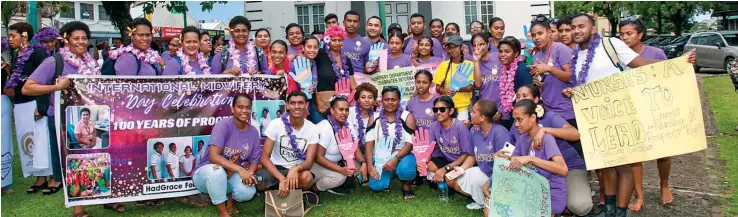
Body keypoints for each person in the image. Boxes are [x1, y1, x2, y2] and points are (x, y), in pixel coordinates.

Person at [562, 13, 696, 217]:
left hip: (620, 115)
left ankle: (621, 211)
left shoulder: (611, 45)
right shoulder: (576, 56)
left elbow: (641, 64)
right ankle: (609, 208)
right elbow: (583, 83)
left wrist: (679, 63)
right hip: (595, 120)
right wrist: (573, 91)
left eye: (581, 26)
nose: (577, 31)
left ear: (593, 29)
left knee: (624, 165)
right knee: (605, 166)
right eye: (573, 27)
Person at [513, 84, 592, 216]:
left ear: (536, 99)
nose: (520, 99)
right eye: (518, 96)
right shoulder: (520, 123)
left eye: (525, 95)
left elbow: (575, 134)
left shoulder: (549, 117)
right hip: (541, 173)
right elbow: (516, 151)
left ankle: (568, 196)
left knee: (579, 206)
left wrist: (544, 130)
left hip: (569, 168)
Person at [618, 17, 670, 212]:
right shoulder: (617, 55)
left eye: (629, 33)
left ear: (640, 34)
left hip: (655, 108)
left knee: (663, 152)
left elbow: (670, 73)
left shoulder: (656, 53)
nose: (625, 38)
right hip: (629, 109)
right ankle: (639, 196)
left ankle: (664, 184)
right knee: (635, 155)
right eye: (621, 34)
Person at [5, 23, 57, 195]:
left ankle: (52, 177)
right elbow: (17, 77)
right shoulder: (14, 53)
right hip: (20, 103)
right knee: (28, 141)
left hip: (35, 103)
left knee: (42, 140)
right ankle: (39, 177)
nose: (10, 39)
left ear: (25, 36)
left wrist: (42, 107)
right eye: (9, 36)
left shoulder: (38, 52)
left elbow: (46, 79)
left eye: (13, 35)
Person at [193, 93, 260, 217]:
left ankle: (231, 200)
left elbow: (254, 162)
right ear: (232, 109)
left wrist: (248, 175)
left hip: (230, 174)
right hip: (206, 174)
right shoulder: (223, 125)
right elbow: (214, 157)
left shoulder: (253, 132)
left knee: (247, 191)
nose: (244, 111)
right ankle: (223, 212)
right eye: (240, 107)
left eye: (248, 107)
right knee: (217, 172)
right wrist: (240, 169)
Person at [508, 99, 569, 216]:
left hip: (550, 193)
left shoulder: (546, 139)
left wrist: (532, 159)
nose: (516, 124)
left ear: (533, 118)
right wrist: (500, 158)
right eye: (515, 120)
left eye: (519, 120)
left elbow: (563, 170)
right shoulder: (522, 138)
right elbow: (512, 164)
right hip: (531, 191)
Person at [257, 91, 319, 203]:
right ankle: (285, 188)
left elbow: (309, 162)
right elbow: (264, 158)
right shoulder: (275, 124)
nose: (296, 106)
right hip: (276, 168)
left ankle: (287, 190)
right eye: (293, 103)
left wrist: (295, 168)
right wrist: (282, 178)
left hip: (296, 169)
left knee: (307, 178)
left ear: (306, 105)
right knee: (258, 183)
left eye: (300, 103)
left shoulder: (313, 129)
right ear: (287, 106)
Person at [364, 86, 417, 199]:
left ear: (399, 100)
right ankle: (387, 177)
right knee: (376, 186)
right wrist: (370, 166)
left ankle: (406, 185)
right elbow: (369, 145)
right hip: (380, 158)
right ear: (381, 100)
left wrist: (395, 158)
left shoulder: (407, 116)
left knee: (407, 170)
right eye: (386, 99)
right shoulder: (374, 117)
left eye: (393, 99)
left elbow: (410, 144)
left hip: (402, 155)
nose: (390, 102)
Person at [461, 99, 510, 211]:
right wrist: (461, 169)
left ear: (482, 117)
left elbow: (505, 165)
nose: (470, 114)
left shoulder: (500, 133)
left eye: (473, 112)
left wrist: (489, 183)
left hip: (500, 177)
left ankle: (492, 200)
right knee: (457, 178)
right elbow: (472, 155)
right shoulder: (474, 130)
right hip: (484, 172)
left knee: (491, 212)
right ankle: (481, 202)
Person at [529, 15, 575, 132]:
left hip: (566, 109)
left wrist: (549, 69)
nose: (537, 38)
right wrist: (537, 81)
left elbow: (571, 77)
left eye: (540, 33)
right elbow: (541, 79)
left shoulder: (560, 48)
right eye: (534, 35)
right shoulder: (536, 56)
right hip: (547, 110)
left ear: (549, 33)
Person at [312, 95, 363, 196]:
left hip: (339, 162)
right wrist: (341, 170)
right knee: (340, 177)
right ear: (332, 110)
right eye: (340, 109)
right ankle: (314, 189)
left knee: (358, 167)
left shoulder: (347, 124)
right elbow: (318, 157)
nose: (344, 113)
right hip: (318, 164)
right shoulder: (325, 126)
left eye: (346, 110)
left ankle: (335, 184)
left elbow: (355, 147)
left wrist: (364, 163)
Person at [425, 96, 471, 195]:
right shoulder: (433, 126)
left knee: (451, 181)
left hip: (461, 163)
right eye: (435, 109)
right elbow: (430, 149)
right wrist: (422, 162)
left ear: (450, 111)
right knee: (430, 167)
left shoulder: (460, 127)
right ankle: (443, 183)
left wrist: (445, 169)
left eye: (442, 109)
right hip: (446, 160)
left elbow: (466, 154)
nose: (438, 112)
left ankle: (448, 183)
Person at [314, 26, 357, 121]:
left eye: (340, 40)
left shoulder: (346, 59)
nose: (337, 43)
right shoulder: (320, 55)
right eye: (334, 40)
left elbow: (353, 84)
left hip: (342, 104)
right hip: (324, 102)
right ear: (328, 40)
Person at [471, 32, 513, 130]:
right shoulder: (474, 63)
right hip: (485, 111)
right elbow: (478, 84)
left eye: (482, 44)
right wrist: (476, 61)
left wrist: (502, 111)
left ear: (488, 44)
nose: (479, 48)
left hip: (502, 109)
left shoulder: (498, 57)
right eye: (475, 45)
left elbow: (509, 82)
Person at [434, 35, 474, 123]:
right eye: (450, 47)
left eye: (455, 47)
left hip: (462, 108)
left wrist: (455, 89)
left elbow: (470, 88)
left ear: (462, 48)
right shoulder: (443, 65)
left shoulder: (469, 65)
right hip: (446, 108)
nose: (452, 50)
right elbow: (437, 87)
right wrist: (444, 91)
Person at [347, 82, 378, 160]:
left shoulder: (377, 117)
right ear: (358, 99)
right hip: (351, 155)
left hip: (371, 155)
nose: (367, 100)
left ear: (374, 99)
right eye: (363, 97)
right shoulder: (348, 112)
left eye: (370, 97)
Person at [341, 10, 371, 75]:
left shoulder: (366, 43)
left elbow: (367, 67)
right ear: (344, 23)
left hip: (359, 81)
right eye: (349, 21)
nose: (352, 24)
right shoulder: (337, 41)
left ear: (359, 24)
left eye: (355, 21)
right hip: (340, 80)